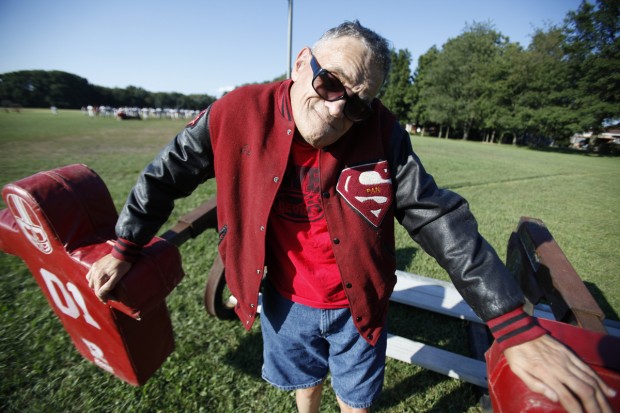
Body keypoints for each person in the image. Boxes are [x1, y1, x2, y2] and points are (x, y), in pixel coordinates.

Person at [87, 21, 616, 413]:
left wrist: (513, 325)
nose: (340, 109)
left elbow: (438, 218)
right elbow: (167, 174)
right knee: (303, 382)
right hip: (283, 299)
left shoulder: (381, 131)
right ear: (300, 65)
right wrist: (126, 245)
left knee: (358, 395)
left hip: (358, 301)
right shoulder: (235, 114)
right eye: (331, 84)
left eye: (358, 102)